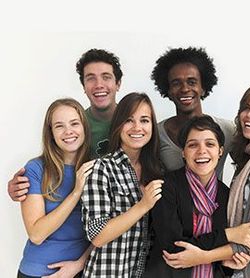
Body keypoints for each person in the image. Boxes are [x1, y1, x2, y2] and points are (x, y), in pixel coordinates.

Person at [162, 83, 250, 278]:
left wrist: (202, 257)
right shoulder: (249, 161)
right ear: (183, 152)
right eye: (246, 107)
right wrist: (227, 246)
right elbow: (237, 236)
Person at [144, 115, 250, 278]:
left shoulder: (227, 195)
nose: (202, 151)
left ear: (220, 151)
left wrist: (229, 262)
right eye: (193, 145)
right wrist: (230, 234)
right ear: (183, 153)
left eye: (210, 144)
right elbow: (175, 250)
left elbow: (223, 261)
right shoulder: (166, 187)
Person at [8, 48, 123, 201]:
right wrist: (23, 186)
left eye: (106, 77)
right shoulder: (74, 127)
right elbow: (53, 162)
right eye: (90, 78)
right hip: (91, 208)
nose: (98, 84)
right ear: (83, 86)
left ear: (118, 84)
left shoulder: (135, 122)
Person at [81, 92, 163, 277]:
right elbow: (98, 235)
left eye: (144, 120)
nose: (137, 127)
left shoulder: (157, 171)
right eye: (129, 120)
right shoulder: (102, 169)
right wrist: (143, 205)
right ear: (118, 125)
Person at [17, 98, 95, 277]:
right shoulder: (36, 169)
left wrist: (79, 264)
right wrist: (76, 192)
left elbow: (105, 228)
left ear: (84, 127)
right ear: (50, 132)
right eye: (59, 126)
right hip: (39, 272)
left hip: (83, 270)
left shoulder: (95, 167)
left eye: (74, 123)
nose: (68, 131)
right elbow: (37, 234)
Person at [151, 47, 235, 179]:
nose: (185, 89)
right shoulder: (156, 134)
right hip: (173, 199)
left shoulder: (228, 130)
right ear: (168, 90)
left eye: (192, 82)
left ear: (203, 88)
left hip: (217, 199)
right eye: (176, 83)